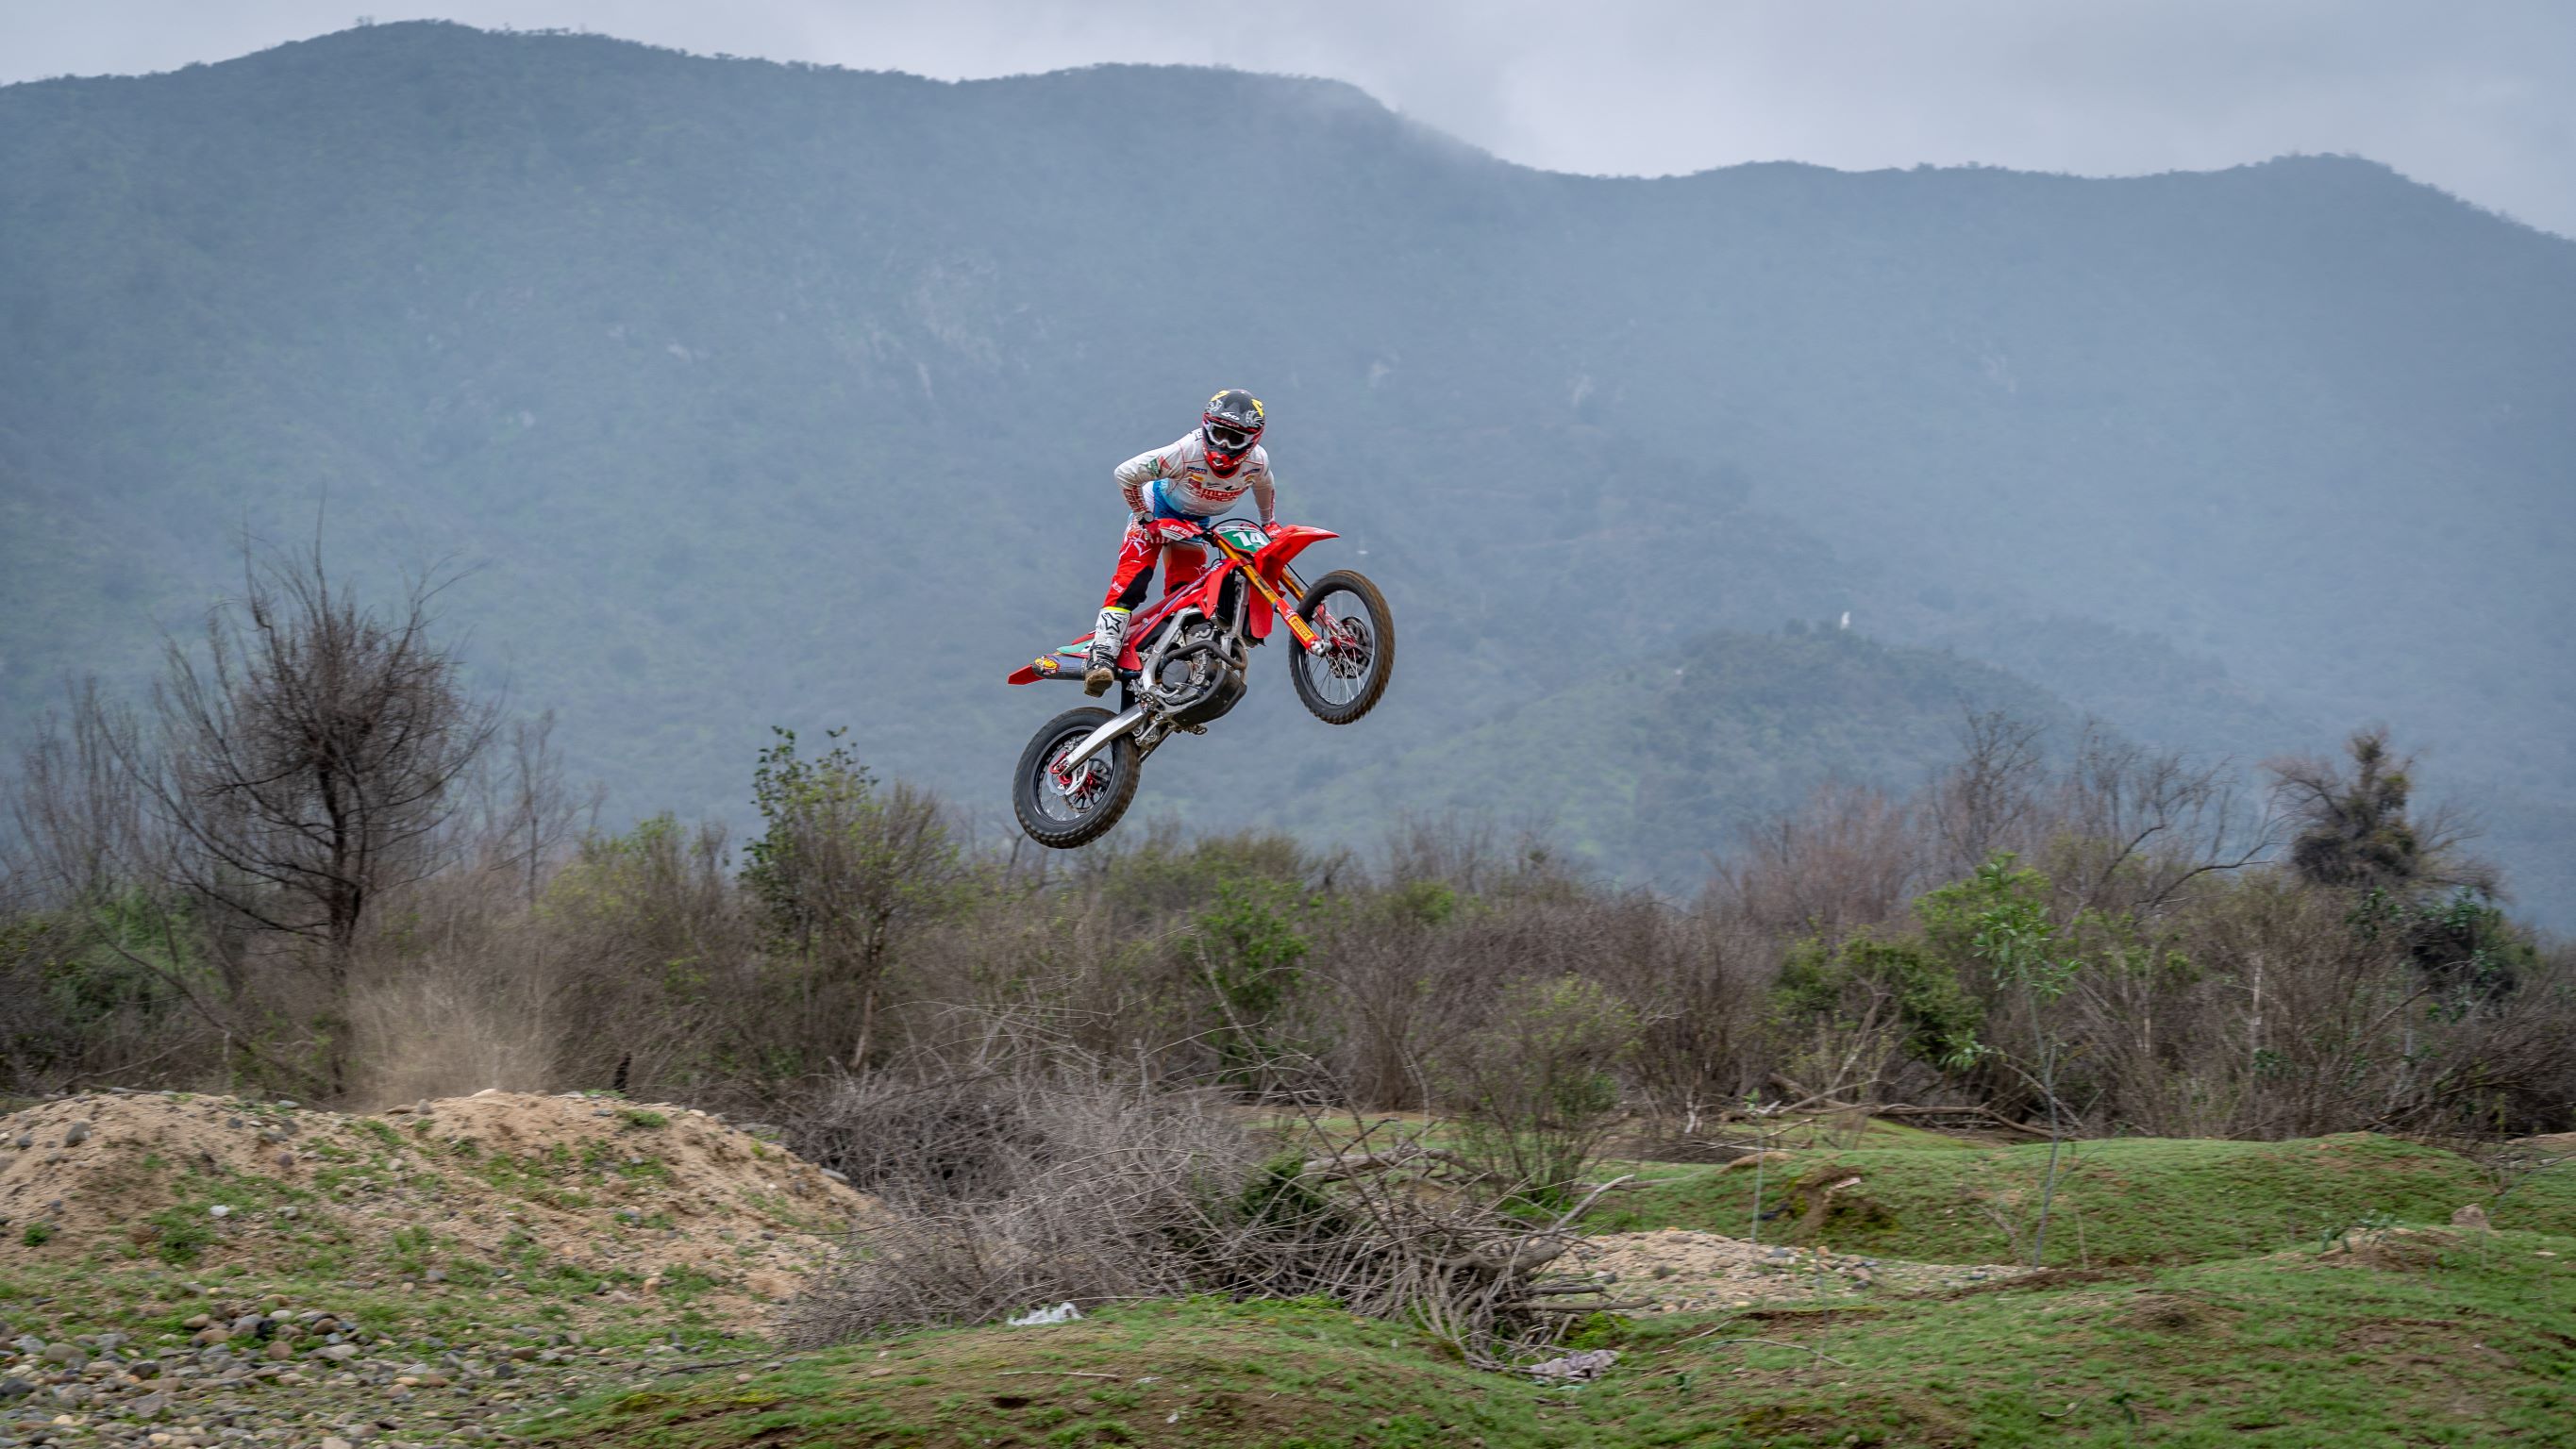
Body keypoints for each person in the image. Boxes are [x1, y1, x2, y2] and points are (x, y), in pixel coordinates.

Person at [1084, 389, 1280, 694]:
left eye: (1234, 437)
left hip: (1193, 524)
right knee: (1132, 581)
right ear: (1206, 426)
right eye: (1219, 432)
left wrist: (1269, 523)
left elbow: (1264, 487)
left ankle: (1182, 659)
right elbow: (1125, 474)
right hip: (1155, 514)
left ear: (1253, 439)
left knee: (1188, 593)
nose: (1224, 444)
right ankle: (1101, 657)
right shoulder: (1186, 451)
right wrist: (1146, 518)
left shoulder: (1257, 462)